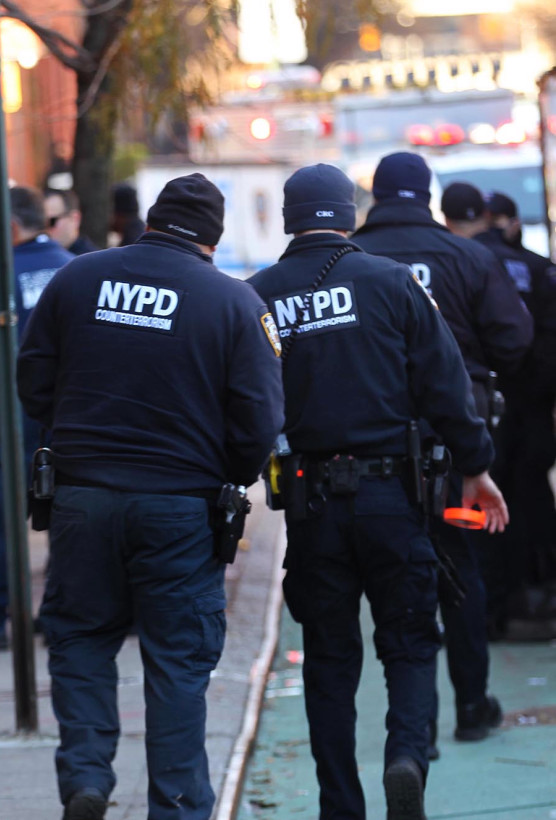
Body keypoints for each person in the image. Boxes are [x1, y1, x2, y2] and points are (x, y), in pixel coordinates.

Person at [19, 174, 284, 820]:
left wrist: (77, 436)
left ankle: (85, 777)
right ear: (213, 239)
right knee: (176, 661)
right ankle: (175, 805)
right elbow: (259, 419)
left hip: (82, 499)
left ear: (151, 221)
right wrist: (223, 472)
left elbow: (32, 380)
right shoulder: (231, 302)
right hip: (179, 505)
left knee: (79, 637)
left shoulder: (78, 279)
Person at [250, 164, 507, 820]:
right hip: (393, 494)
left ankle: (341, 804)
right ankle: (405, 759)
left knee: (330, 660)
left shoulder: (259, 298)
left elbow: (243, 409)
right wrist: (477, 466)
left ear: (288, 219)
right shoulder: (391, 285)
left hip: (310, 506)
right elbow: (446, 386)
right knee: (411, 642)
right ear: (349, 213)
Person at [353, 154, 532, 749]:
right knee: (461, 566)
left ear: (376, 195)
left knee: (398, 577)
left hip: (373, 443)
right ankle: (472, 704)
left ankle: (415, 726)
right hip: (460, 444)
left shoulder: (348, 259)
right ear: (426, 195)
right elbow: (515, 337)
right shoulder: (469, 256)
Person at [0, 185, 73, 651]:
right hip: (66, 419)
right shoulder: (74, 270)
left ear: (11, 227)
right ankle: (57, 611)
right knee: (65, 514)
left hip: (11, 414)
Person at [477, 192, 556, 633]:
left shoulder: (467, 262)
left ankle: (493, 605)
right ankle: (538, 594)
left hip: (484, 408)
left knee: (487, 505)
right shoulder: (540, 268)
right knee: (531, 501)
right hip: (531, 408)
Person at [44, 189, 98, 255]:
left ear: (75, 219)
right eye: (39, 223)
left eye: (52, 221)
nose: (44, 229)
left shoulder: (92, 261)